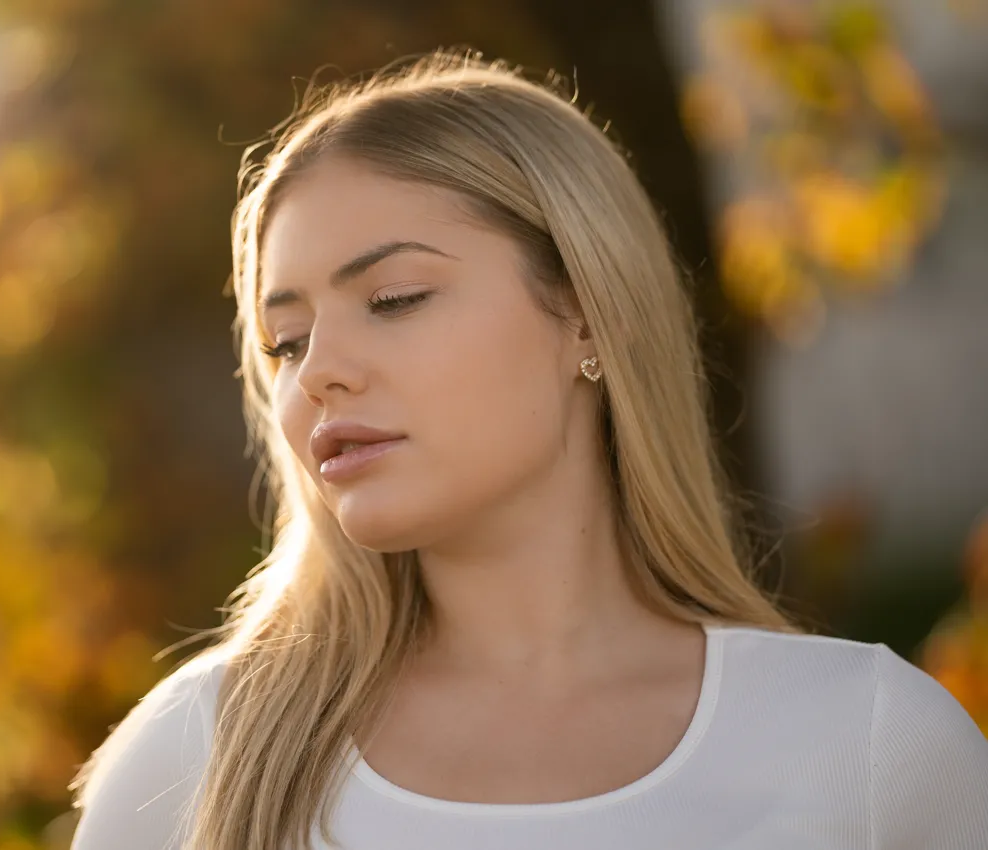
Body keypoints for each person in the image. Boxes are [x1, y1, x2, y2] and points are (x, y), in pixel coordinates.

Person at [69, 51, 988, 850]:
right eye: (287, 342)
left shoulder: (869, 746)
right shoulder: (197, 758)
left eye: (392, 299)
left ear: (587, 310)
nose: (319, 375)